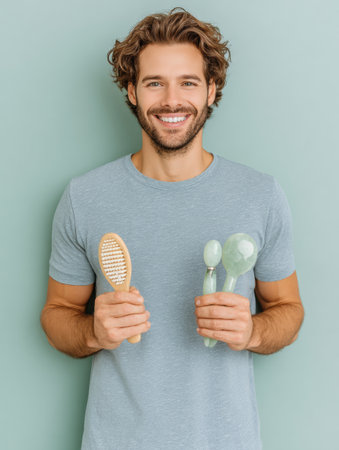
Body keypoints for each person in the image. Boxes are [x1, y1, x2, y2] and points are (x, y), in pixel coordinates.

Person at [41, 7, 304, 450]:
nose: (171, 100)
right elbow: (55, 315)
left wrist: (253, 331)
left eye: (188, 82)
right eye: (154, 82)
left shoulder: (260, 195)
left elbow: (289, 309)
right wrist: (91, 332)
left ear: (211, 90)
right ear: (131, 91)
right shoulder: (84, 197)